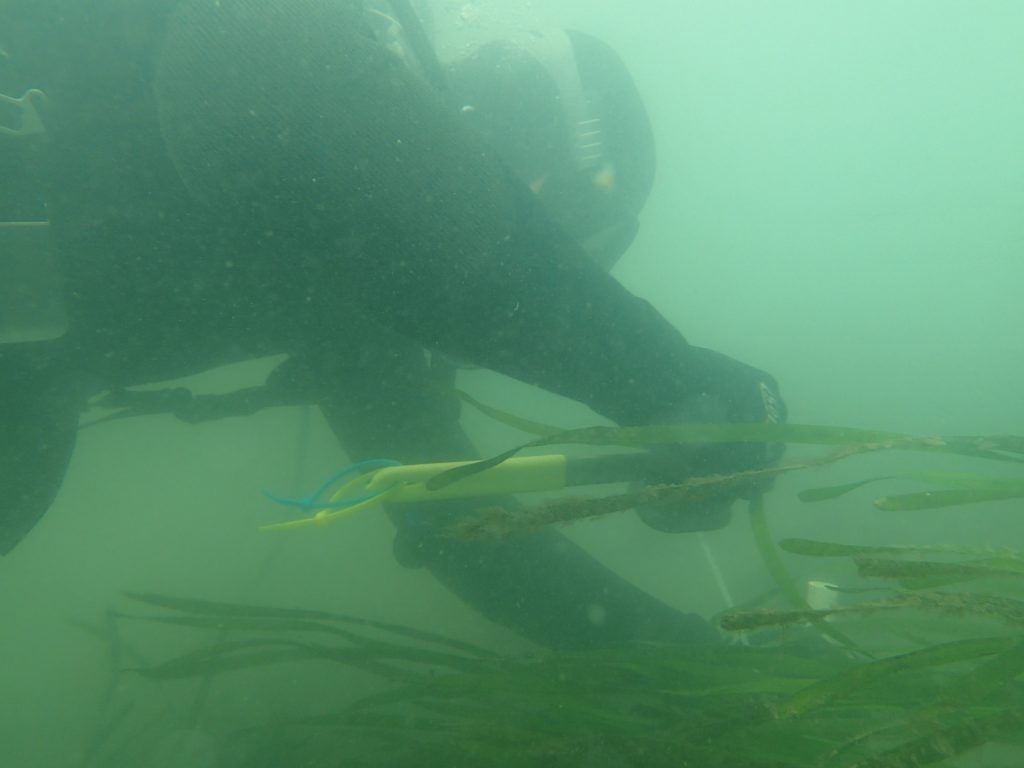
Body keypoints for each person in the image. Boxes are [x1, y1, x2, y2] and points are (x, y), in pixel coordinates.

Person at [0, 0, 784, 649]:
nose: (524, 249)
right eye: (546, 214)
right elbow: (271, 76)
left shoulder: (351, 278)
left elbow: (464, 528)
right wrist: (658, 382)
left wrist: (702, 655)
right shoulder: (282, 35)